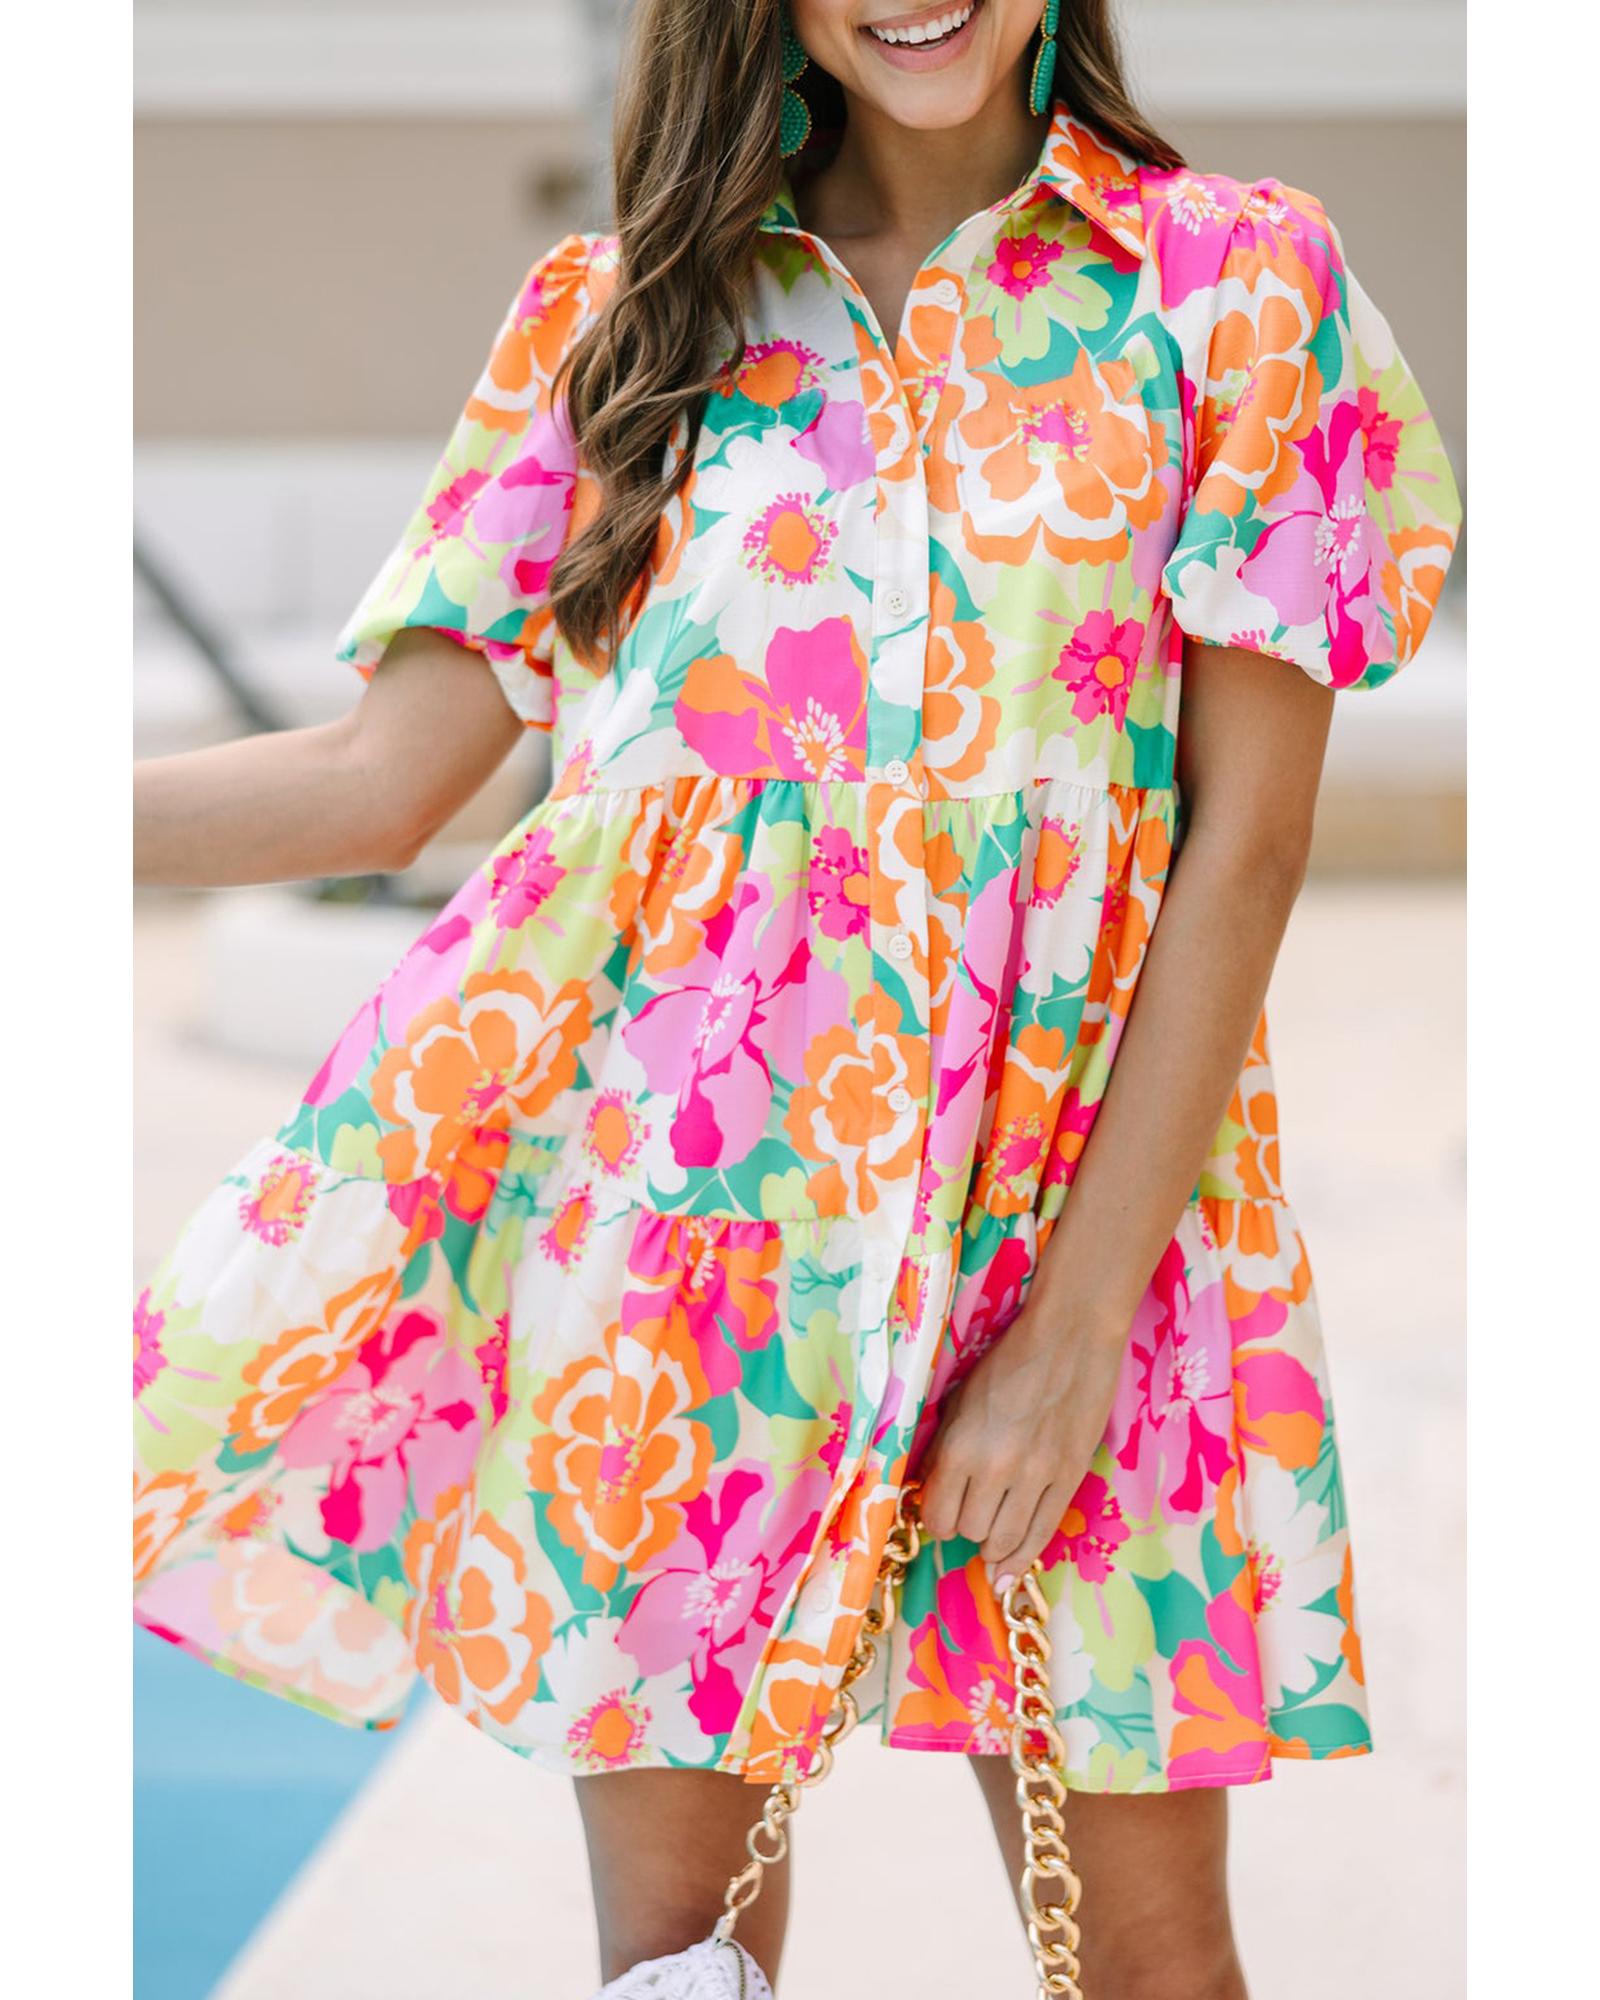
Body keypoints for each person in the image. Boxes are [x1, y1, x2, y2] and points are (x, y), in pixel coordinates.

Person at [131, 3, 1463, 1994]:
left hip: (1086, 1239)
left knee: (1151, 1963)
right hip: (693, 1255)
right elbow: (380, 778)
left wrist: (1069, 1334)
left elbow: (1243, 848)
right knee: (683, 1962)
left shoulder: (1230, 286)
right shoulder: (623, 319)